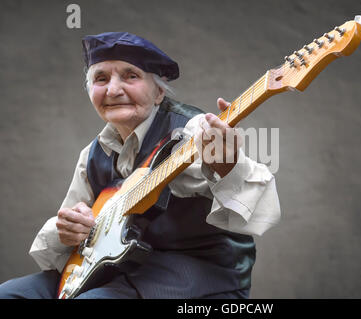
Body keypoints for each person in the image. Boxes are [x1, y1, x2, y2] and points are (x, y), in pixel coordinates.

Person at [0, 32, 281, 299]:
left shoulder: (191, 132)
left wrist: (226, 166)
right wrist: (69, 229)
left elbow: (258, 207)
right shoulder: (92, 154)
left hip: (195, 272)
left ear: (159, 92)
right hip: (114, 269)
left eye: (130, 75)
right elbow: (71, 225)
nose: (112, 89)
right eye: (100, 78)